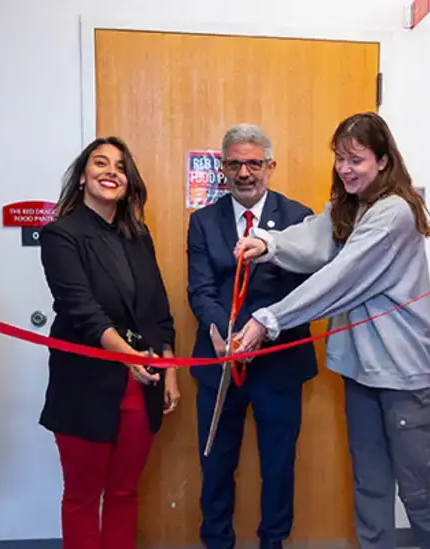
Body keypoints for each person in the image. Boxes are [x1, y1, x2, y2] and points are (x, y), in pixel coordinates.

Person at [231, 112, 430, 549]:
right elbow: (315, 236)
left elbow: (341, 277)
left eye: (355, 159)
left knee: (417, 486)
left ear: (382, 160)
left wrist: (269, 319)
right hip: (360, 369)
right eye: (340, 158)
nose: (345, 168)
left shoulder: (393, 212)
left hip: (400, 371)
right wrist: (269, 243)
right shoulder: (353, 205)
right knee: (370, 483)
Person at [38, 136, 180, 549]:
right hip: (84, 383)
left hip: (141, 384)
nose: (110, 171)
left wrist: (167, 370)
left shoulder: (139, 236)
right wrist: (130, 356)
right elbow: (81, 309)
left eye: (119, 166)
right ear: (82, 176)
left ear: (128, 181)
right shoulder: (60, 235)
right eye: (100, 163)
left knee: (124, 492)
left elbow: (158, 310)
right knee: (83, 497)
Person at [187, 124, 319, 549]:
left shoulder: (300, 218)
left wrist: (262, 331)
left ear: (270, 167)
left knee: (279, 467)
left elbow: (307, 290)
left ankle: (273, 543)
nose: (244, 173)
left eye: (254, 163)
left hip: (279, 364)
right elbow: (200, 289)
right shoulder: (203, 222)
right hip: (219, 364)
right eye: (234, 163)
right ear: (222, 169)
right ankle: (216, 542)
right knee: (216, 465)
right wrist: (220, 332)